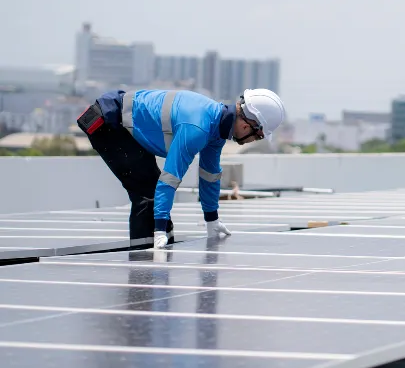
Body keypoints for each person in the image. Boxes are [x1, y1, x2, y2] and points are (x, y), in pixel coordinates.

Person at [76, 88, 286, 250]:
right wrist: (159, 228)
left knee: (150, 191)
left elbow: (209, 175)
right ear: (247, 125)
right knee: (147, 194)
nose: (253, 141)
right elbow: (170, 177)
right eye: (258, 136)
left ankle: (155, 253)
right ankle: (143, 264)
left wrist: (211, 219)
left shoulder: (217, 128)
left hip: (123, 124)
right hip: (107, 122)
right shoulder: (198, 128)